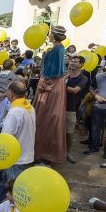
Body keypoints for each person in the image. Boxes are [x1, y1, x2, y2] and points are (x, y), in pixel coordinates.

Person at [0, 81, 36, 206]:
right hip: (28, 152)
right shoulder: (30, 107)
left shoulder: (14, 112)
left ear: (11, 95)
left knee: (14, 186)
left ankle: (18, 210)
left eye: (7, 91)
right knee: (7, 179)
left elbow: (6, 138)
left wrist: (0, 158)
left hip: (16, 157)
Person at [33, 25, 67, 163]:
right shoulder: (57, 49)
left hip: (50, 86)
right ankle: (41, 152)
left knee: (47, 117)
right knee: (45, 117)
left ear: (54, 35)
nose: (49, 35)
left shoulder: (57, 50)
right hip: (51, 84)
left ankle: (44, 154)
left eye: (51, 33)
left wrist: (43, 84)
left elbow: (52, 73)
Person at [65, 55, 88, 163]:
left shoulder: (83, 78)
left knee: (69, 133)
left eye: (75, 61)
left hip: (70, 108)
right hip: (57, 107)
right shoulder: (64, 75)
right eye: (71, 61)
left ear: (81, 64)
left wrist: (63, 85)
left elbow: (75, 91)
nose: (72, 63)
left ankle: (67, 152)